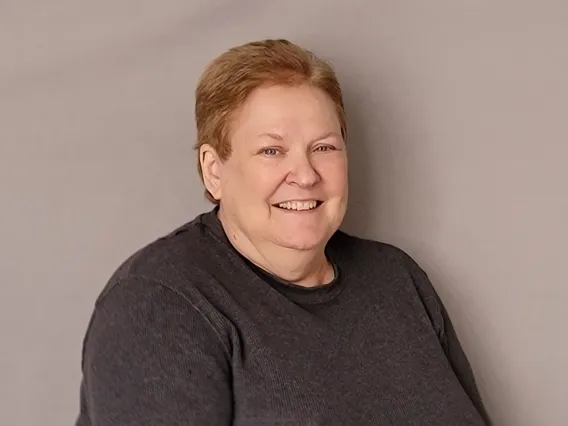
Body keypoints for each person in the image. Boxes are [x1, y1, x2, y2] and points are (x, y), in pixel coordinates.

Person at [75, 38, 491, 425]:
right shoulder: (159, 303)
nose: (306, 175)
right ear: (213, 169)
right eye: (271, 150)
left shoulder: (397, 278)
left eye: (324, 147)